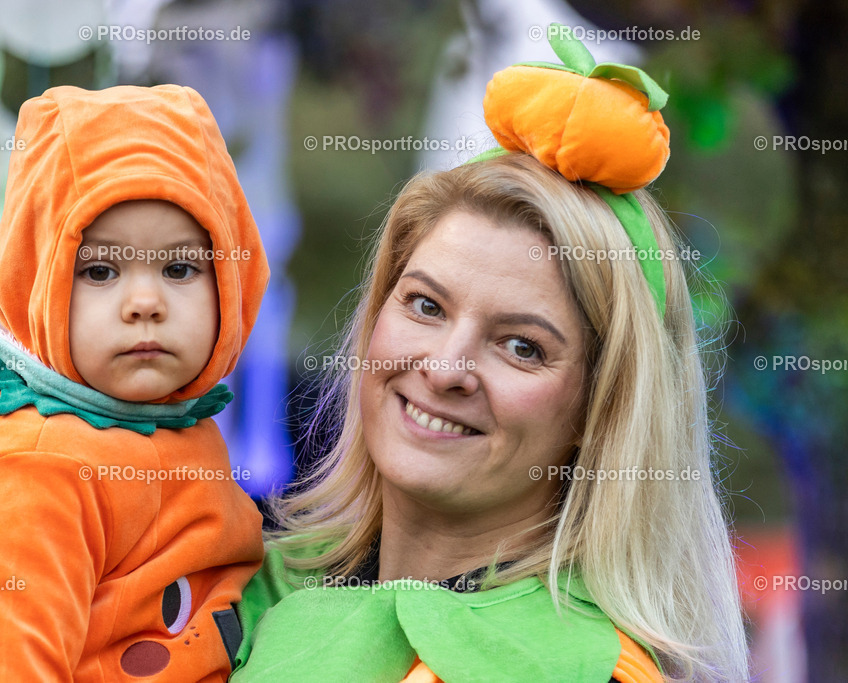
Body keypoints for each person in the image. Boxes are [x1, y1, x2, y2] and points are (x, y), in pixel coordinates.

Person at [232, 26, 748, 682]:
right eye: (425, 305)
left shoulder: (588, 670)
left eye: (521, 346)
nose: (445, 368)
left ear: (602, 408)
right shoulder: (234, 588)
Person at [0, 84, 270, 681]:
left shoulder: (177, 428)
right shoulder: (35, 474)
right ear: (38, 285)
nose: (145, 302)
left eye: (180, 267)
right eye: (100, 270)